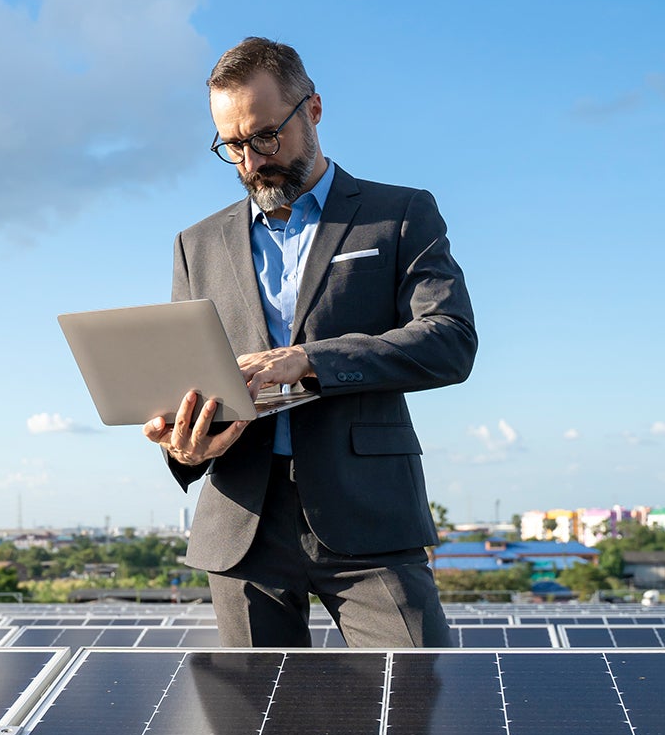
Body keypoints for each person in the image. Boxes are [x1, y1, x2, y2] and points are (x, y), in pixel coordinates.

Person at [143, 37, 476, 648]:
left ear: (313, 110)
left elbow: (449, 340)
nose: (251, 160)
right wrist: (183, 447)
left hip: (371, 519)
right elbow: (189, 376)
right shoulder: (196, 244)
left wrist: (310, 361)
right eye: (233, 145)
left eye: (266, 136)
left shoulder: (399, 214)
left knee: (420, 712)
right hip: (241, 525)